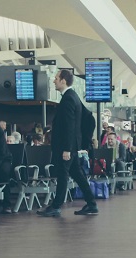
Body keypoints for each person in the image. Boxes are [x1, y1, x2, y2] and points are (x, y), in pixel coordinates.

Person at [37, 69, 98, 217]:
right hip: (72, 146)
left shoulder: (69, 98)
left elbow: (70, 126)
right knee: (77, 174)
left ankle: (56, 206)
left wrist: (67, 149)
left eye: (56, 78)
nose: (54, 81)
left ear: (63, 80)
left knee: (62, 174)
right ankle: (91, 204)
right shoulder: (72, 96)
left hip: (67, 147)